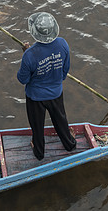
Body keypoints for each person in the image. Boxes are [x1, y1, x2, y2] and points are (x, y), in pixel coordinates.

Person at [17, 12, 76, 160]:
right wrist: (55, 81)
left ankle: (39, 152)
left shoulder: (29, 55)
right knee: (60, 119)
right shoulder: (63, 44)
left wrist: (26, 54)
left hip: (35, 97)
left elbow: (22, 79)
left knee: (37, 126)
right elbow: (65, 70)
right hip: (56, 93)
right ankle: (69, 144)